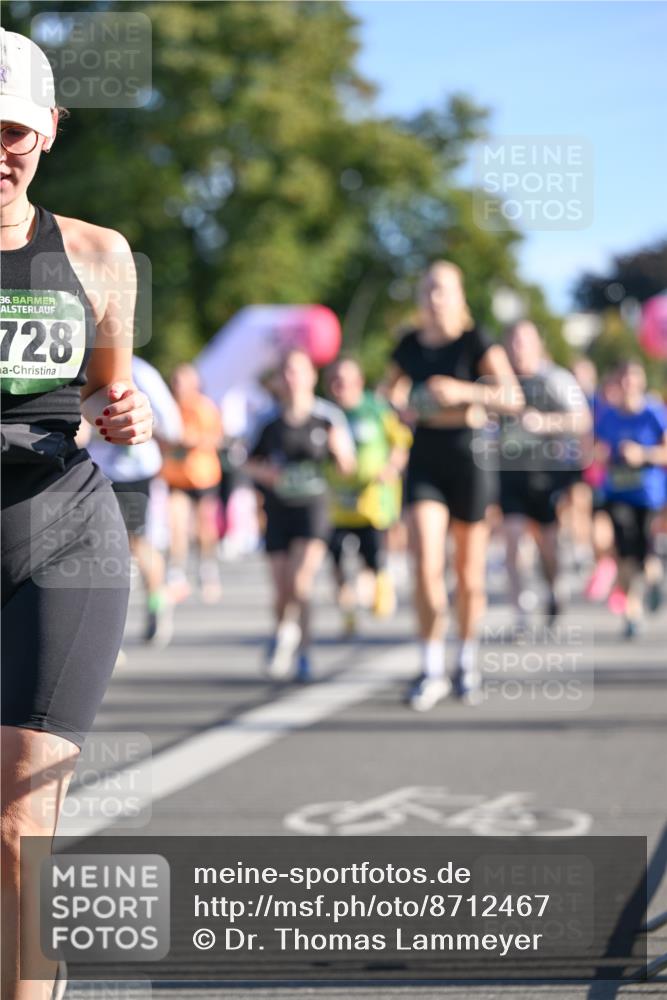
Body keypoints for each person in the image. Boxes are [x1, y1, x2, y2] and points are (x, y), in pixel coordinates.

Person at [0, 28, 152, 1000]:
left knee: (19, 817)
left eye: (14, 129)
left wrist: (123, 409)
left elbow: (108, 395)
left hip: (60, 536)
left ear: (50, 130)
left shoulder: (97, 254)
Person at [385, 261, 523, 710]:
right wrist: (402, 406)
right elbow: (387, 392)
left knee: (468, 574)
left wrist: (463, 392)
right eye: (427, 289)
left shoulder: (475, 340)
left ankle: (466, 660)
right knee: (425, 562)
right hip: (425, 457)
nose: (433, 297)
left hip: (470, 459)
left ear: (459, 295)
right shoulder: (408, 345)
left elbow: (512, 397)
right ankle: (430, 667)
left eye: (442, 290)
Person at [245, 349, 356, 682]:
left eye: (299, 371)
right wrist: (266, 474)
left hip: (314, 507)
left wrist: (339, 452)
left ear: (312, 377)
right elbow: (247, 461)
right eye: (287, 372)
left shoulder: (328, 417)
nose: (293, 379)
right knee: (281, 590)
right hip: (278, 510)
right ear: (279, 380)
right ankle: (283, 631)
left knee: (301, 581)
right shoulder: (267, 421)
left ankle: (305, 652)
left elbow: (348, 467)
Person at [87, 355, 183, 647]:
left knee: (136, 542)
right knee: (97, 547)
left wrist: (139, 427)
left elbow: (171, 424)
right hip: (94, 470)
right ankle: (103, 634)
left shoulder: (141, 371)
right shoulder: (83, 361)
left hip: (132, 472)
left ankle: (157, 600)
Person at [500, 321, 591, 625]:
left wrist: (545, 423)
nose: (518, 348)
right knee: (513, 540)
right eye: (512, 341)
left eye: (524, 341)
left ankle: (554, 589)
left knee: (547, 546)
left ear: (538, 343)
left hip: (546, 474)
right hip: (508, 474)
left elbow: (581, 420)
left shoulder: (555, 378)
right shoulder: (499, 381)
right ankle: (521, 611)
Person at [325, 356, 412, 632]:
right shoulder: (327, 416)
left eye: (347, 380)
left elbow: (400, 442)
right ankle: (347, 608)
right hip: (337, 503)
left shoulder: (375, 409)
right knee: (336, 558)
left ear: (359, 382)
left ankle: (380, 589)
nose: (341, 386)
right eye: (336, 381)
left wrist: (391, 468)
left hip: (372, 502)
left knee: (372, 556)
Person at [595, 360, 667, 637]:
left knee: (643, 555)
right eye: (623, 379)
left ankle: (654, 578)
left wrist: (642, 455)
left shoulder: (654, 413)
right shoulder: (609, 416)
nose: (628, 385)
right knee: (625, 553)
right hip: (618, 493)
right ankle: (632, 612)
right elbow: (597, 451)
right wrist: (603, 457)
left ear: (641, 382)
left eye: (633, 379)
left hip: (648, 496)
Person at [160, 363, 223, 604]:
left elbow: (215, 437)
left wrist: (189, 440)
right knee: (176, 524)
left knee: (204, 528)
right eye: (175, 381)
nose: (179, 386)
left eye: (183, 381)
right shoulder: (169, 407)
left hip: (203, 475)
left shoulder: (204, 408)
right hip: (176, 476)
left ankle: (207, 567)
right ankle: (176, 574)